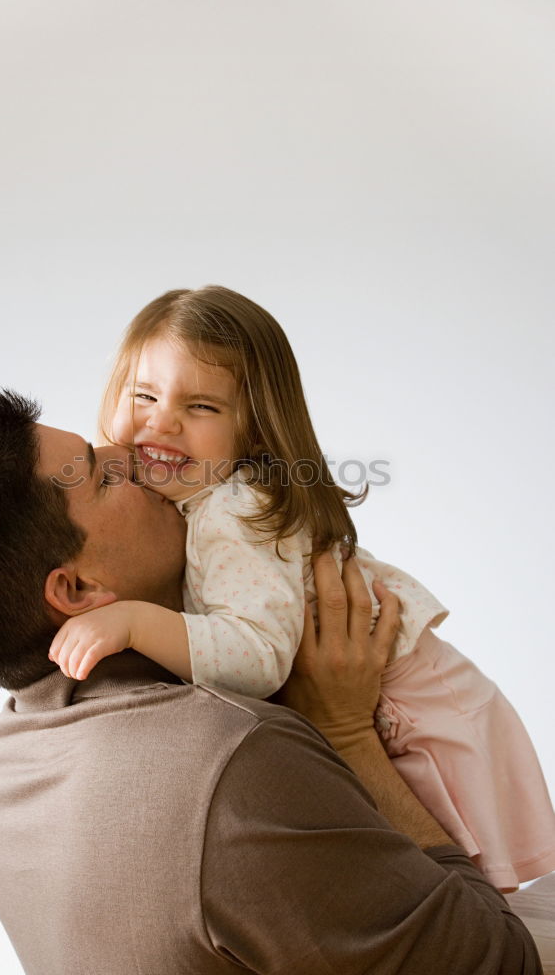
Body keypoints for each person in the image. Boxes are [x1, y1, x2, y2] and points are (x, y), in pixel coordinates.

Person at [0, 389, 543, 973]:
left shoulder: (2, 767)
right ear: (80, 588)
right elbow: (497, 960)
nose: (127, 451)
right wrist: (344, 732)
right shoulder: (232, 756)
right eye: (100, 474)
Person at [48, 286, 555, 893]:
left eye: (203, 407)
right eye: (145, 395)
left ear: (256, 435)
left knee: (454, 901)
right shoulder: (195, 502)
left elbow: (257, 657)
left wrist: (131, 621)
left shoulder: (233, 511)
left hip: (415, 712)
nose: (162, 421)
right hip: (402, 702)